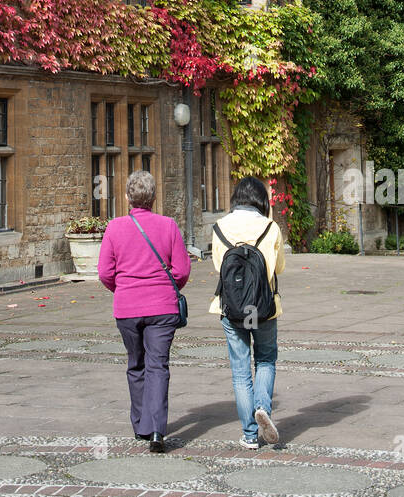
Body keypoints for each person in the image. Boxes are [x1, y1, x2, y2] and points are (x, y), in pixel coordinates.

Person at [98, 169, 191, 453]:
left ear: (127, 197)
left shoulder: (115, 227)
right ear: (153, 197)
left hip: (127, 308)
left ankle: (140, 424)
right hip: (162, 308)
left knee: (136, 363)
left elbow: (104, 272)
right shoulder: (169, 226)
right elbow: (182, 270)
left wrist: (123, 289)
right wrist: (165, 287)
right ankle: (156, 430)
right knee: (158, 366)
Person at [210, 175, 286, 449]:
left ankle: (250, 435)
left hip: (232, 308)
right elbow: (278, 269)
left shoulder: (219, 227)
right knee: (265, 360)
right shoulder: (271, 227)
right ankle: (262, 406)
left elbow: (219, 267)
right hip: (263, 308)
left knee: (240, 371)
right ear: (261, 200)